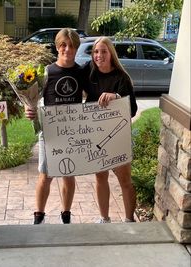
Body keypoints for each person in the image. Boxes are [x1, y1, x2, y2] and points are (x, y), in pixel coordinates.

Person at [25, 28, 83, 224]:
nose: (67, 49)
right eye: (63, 45)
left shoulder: (81, 72)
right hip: (49, 132)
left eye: (72, 45)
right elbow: (33, 99)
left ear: (76, 48)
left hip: (72, 131)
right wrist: (29, 110)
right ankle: (39, 216)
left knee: (68, 174)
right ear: (58, 47)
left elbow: (91, 96)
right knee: (46, 174)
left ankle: (66, 215)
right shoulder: (48, 72)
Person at [82, 36, 138, 223]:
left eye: (103, 51)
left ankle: (129, 220)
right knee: (100, 177)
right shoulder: (89, 73)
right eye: (96, 52)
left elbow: (133, 109)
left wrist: (116, 97)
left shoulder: (121, 77)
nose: (99, 55)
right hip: (96, 135)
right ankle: (104, 218)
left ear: (111, 54)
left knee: (125, 179)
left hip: (118, 136)